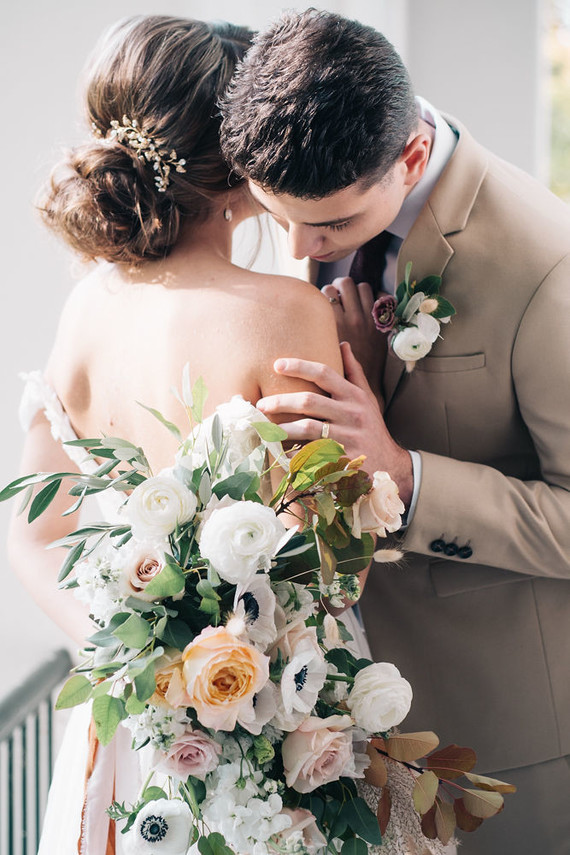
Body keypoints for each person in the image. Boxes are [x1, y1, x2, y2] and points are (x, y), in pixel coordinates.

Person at [220, 9, 570, 854]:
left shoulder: (544, 264)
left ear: (410, 156)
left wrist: (404, 475)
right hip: (338, 723)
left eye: (331, 228)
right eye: (280, 219)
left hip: (499, 735)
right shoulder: (318, 176)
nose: (301, 248)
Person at [7, 15, 354, 854]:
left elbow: (35, 530)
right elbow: (337, 564)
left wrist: (134, 653)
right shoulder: (287, 312)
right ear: (242, 166)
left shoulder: (88, 305)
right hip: (261, 715)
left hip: (128, 725)